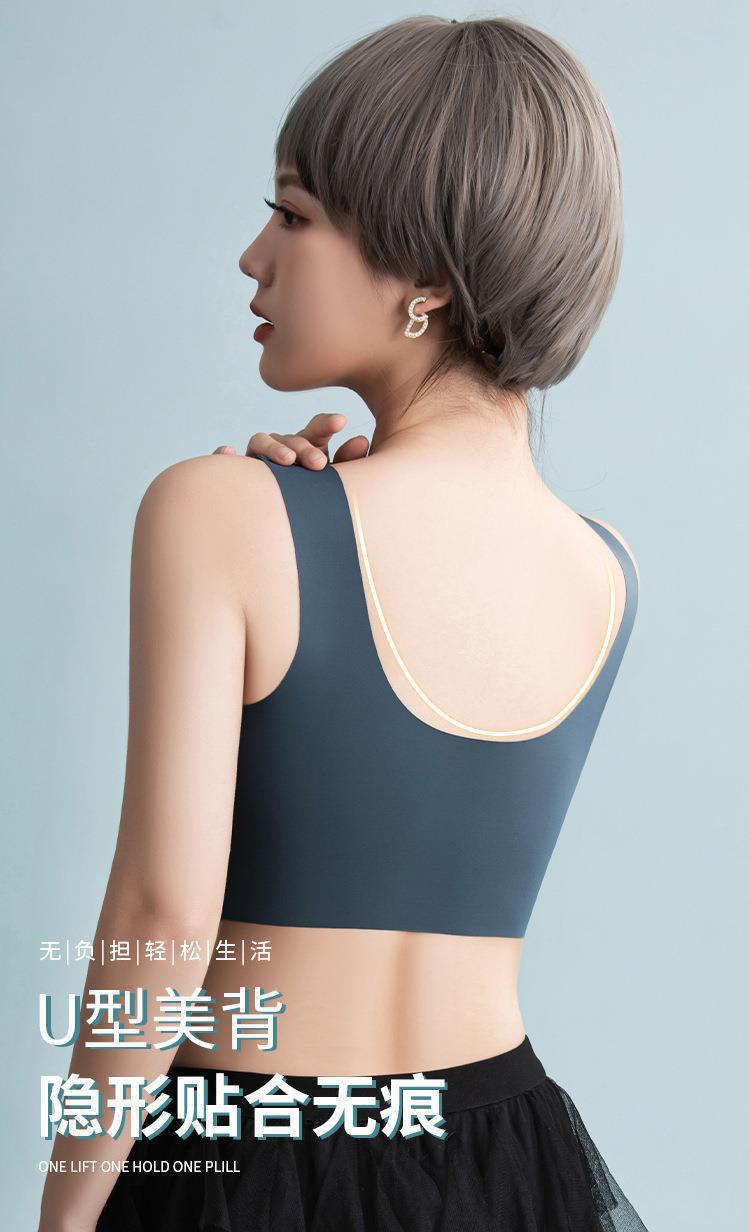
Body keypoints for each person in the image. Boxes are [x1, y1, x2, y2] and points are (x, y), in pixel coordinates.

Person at [38, 15, 650, 1232]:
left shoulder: (220, 510)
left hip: (250, 1150)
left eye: (293, 214)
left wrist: (63, 1217)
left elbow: (164, 915)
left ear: (427, 276)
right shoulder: (606, 568)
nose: (253, 257)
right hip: (506, 1158)